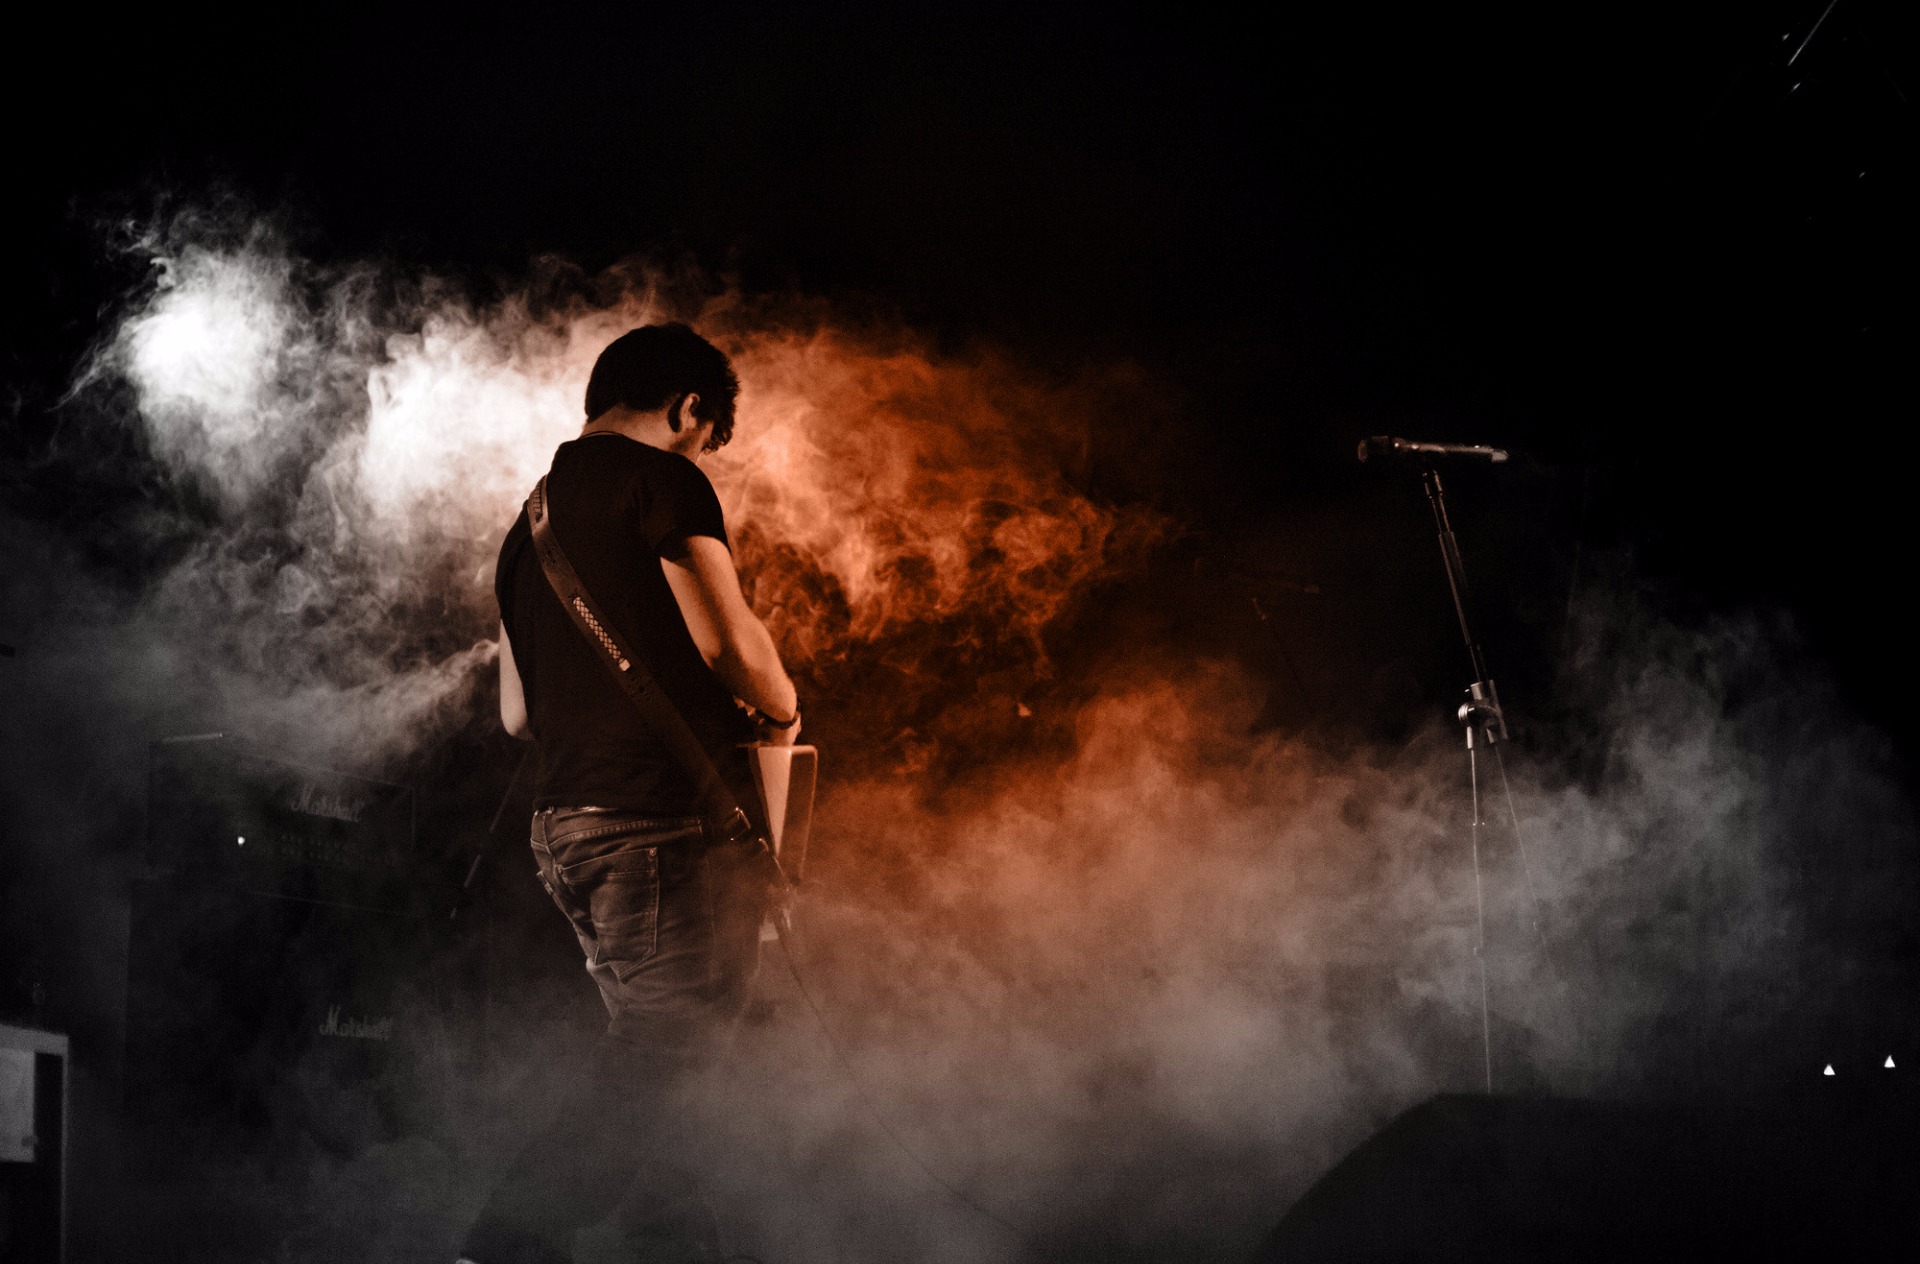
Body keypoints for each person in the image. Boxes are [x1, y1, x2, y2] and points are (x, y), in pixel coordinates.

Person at [461, 323, 800, 1264]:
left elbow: (518, 718)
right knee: (667, 1052)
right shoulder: (664, 481)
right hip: (658, 825)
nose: (702, 457)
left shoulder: (524, 528)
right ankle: (504, 1243)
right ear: (689, 409)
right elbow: (729, 644)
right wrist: (783, 708)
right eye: (708, 439)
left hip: (567, 829)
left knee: (672, 1077)